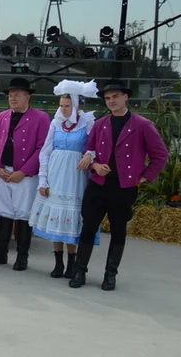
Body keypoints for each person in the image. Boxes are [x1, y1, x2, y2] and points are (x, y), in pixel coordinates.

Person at [71, 82, 168, 291]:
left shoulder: (142, 125)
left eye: (115, 96)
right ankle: (80, 270)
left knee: (118, 231)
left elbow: (161, 155)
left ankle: (110, 274)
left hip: (123, 188)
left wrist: (142, 178)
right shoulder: (100, 124)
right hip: (98, 184)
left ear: (126, 97)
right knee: (88, 227)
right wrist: (95, 165)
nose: (111, 101)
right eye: (107, 98)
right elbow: (89, 150)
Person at [29, 80, 101, 279]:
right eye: (61, 105)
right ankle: (58, 262)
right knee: (56, 218)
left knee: (71, 220)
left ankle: (72, 263)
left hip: (76, 176)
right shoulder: (56, 123)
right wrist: (43, 180)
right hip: (56, 173)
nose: (63, 109)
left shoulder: (87, 122)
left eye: (67, 106)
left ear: (76, 105)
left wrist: (89, 155)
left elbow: (94, 146)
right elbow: (45, 152)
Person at [0, 77, 51, 270]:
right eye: (11, 95)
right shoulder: (2, 117)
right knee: (5, 212)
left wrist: (24, 171)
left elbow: (42, 149)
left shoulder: (41, 118)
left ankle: (22, 256)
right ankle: (0, 253)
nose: (13, 99)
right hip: (3, 171)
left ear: (27, 97)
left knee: (23, 214)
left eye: (17, 95)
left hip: (24, 174)